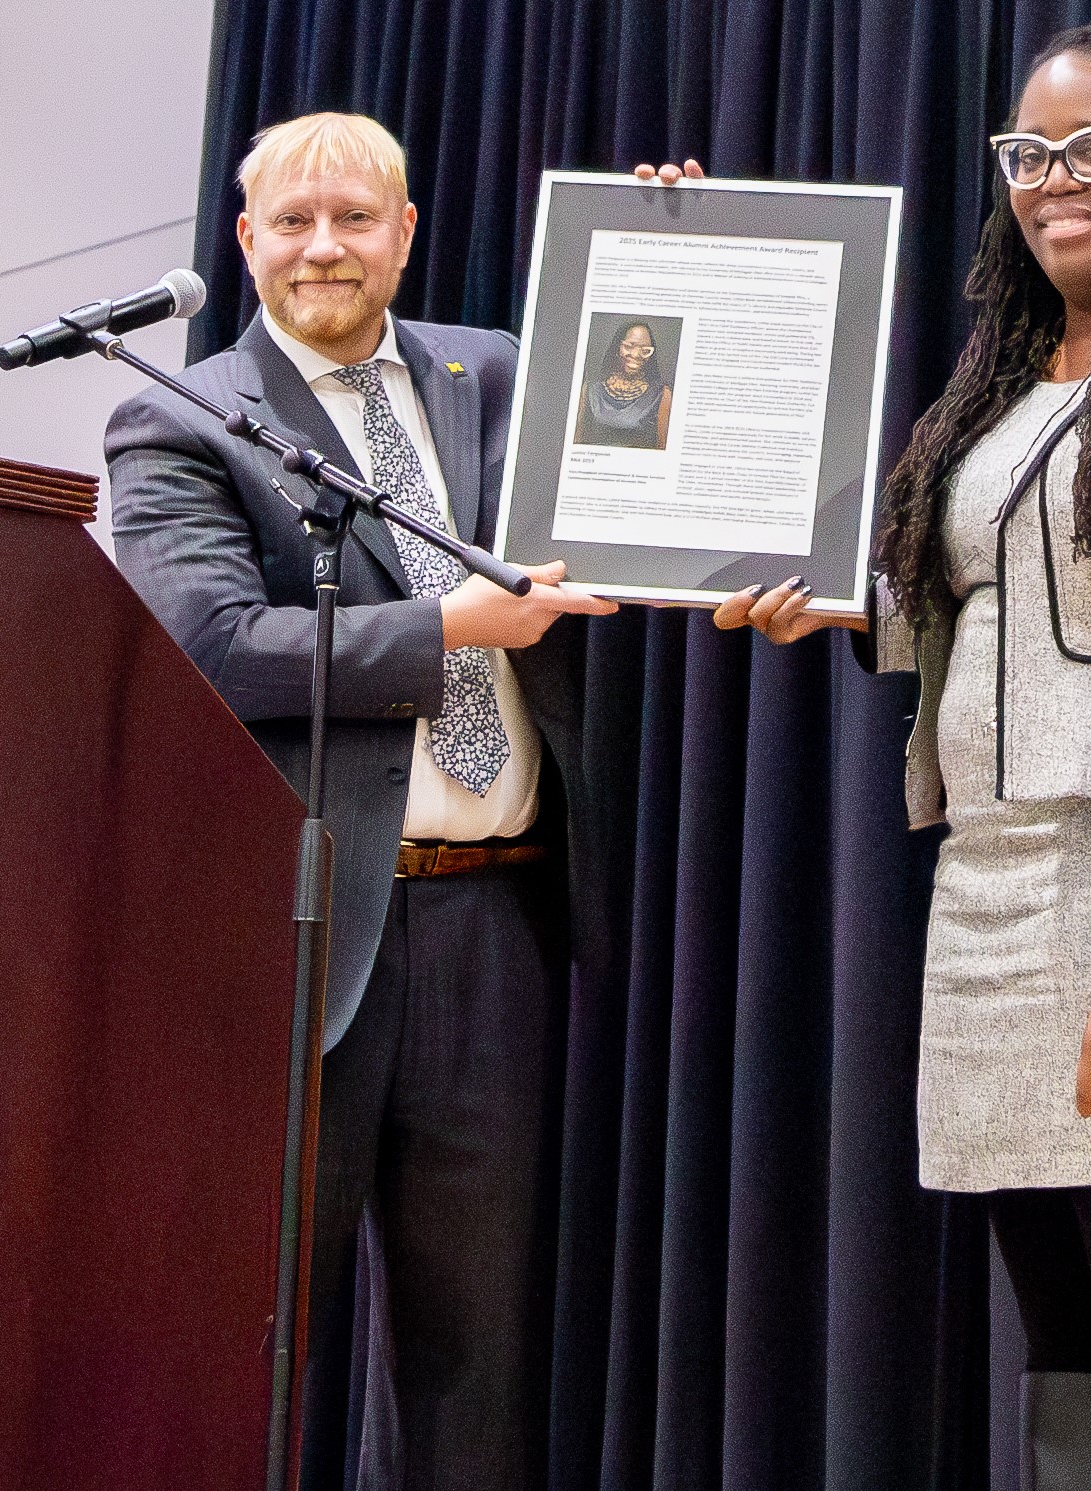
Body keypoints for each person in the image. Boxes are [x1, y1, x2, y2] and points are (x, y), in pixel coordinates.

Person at [719, 24, 1091, 1490]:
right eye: (1027, 155)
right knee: (1060, 1342)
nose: (1056, 181)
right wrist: (849, 611)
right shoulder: (1000, 380)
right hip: (992, 888)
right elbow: (982, 625)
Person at [104, 112, 695, 1490]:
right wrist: (453, 626)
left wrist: (669, 250)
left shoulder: (492, 375)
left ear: (406, 233)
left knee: (473, 1351)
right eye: (293, 221)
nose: (324, 246)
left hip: (495, 926)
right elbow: (213, 646)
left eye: (355, 218)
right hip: (303, 935)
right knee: (260, 1341)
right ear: (245, 241)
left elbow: (656, 414)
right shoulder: (181, 412)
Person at [574, 319, 673, 447]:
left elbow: (663, 449)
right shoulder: (590, 391)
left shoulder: (661, 396)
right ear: (617, 347)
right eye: (629, 347)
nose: (636, 354)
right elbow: (577, 441)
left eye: (645, 350)